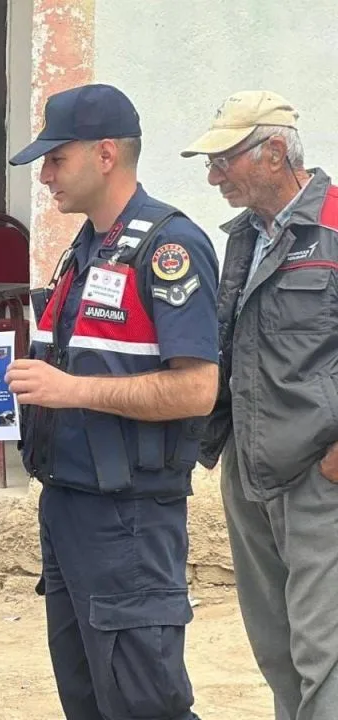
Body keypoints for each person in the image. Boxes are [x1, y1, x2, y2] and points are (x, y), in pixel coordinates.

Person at [0, 84, 220, 719]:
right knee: (89, 702)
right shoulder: (83, 251)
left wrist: (70, 391)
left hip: (129, 520)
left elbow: (199, 388)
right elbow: (66, 367)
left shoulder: (168, 248)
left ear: (106, 154)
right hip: (68, 507)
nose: (46, 174)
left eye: (57, 158)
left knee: (146, 704)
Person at [183, 91, 338, 720]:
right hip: (250, 470)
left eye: (225, 160)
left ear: (275, 152)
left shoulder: (334, 225)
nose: (214, 175)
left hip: (318, 475)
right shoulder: (243, 236)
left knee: (324, 650)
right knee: (274, 644)